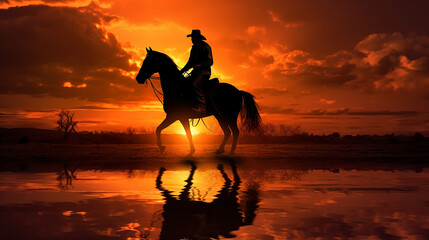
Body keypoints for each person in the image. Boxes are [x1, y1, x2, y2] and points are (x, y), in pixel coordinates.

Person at [180, 29, 213, 113]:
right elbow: (190, 62)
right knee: (185, 83)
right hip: (196, 73)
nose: (191, 40)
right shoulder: (193, 48)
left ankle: (202, 106)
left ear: (197, 38)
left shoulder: (206, 47)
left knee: (194, 85)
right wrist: (182, 70)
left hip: (204, 73)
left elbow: (210, 61)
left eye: (192, 38)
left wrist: (199, 65)